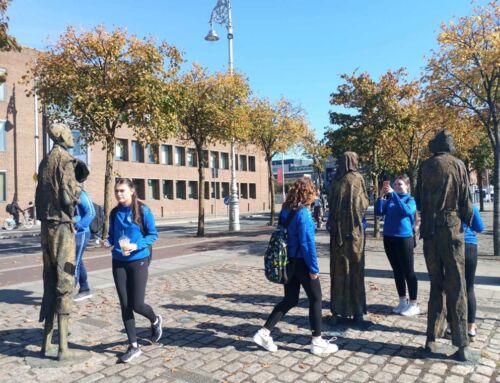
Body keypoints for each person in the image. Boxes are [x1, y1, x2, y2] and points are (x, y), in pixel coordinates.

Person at [253, 177, 338, 356]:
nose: (314, 195)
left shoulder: (285, 211)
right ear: (307, 193)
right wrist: (314, 269)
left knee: (290, 299)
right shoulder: (303, 213)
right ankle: (317, 341)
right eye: (312, 191)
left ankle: (264, 332)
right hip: (302, 263)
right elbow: (307, 244)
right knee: (316, 299)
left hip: (287, 262)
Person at [415, 129, 474, 362]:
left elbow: (418, 199)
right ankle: (461, 345)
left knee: (435, 284)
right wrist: (470, 222)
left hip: (430, 231)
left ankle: (431, 339)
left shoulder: (425, 166)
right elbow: (466, 202)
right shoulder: (458, 165)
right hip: (451, 229)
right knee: (457, 284)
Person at [102, 178, 162, 363]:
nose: (119, 194)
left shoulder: (143, 210)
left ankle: (155, 320)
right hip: (118, 262)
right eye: (116, 191)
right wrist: (107, 242)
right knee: (125, 305)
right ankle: (133, 346)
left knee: (137, 304)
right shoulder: (114, 213)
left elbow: (153, 234)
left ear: (131, 191)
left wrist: (137, 246)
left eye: (122, 191)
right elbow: (112, 236)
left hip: (138, 260)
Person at [35, 123, 81, 361]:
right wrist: (79, 190)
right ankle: (63, 348)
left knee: (49, 280)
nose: (72, 137)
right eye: (70, 133)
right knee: (65, 281)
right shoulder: (67, 161)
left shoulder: (44, 161)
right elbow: (68, 199)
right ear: (62, 135)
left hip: (46, 227)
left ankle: (46, 343)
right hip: (62, 227)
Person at [328, 152, 369, 324]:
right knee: (356, 271)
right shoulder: (357, 178)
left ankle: (337, 312)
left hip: (337, 234)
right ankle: (358, 312)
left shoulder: (336, 180)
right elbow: (362, 203)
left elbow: (331, 203)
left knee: (338, 272)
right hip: (354, 234)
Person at [375, 175, 419, 316]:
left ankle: (413, 303)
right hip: (389, 237)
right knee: (397, 270)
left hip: (404, 238)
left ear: (407, 186)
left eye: (400, 184)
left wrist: (393, 194)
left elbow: (406, 211)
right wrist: (381, 197)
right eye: (395, 184)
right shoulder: (391, 200)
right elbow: (379, 212)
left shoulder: (410, 200)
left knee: (408, 271)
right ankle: (402, 300)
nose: (396, 186)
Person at [447, 205, 484, 339]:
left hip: (451, 246)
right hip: (469, 245)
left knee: (451, 286)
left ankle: (451, 325)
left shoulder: (447, 206)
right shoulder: (470, 207)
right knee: (469, 287)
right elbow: (480, 228)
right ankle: (471, 327)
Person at [73, 160, 95, 301]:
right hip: (74, 232)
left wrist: (78, 226)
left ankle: (68, 292)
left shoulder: (80, 193)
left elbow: (91, 213)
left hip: (81, 233)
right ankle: (85, 288)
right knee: (78, 261)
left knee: (74, 262)